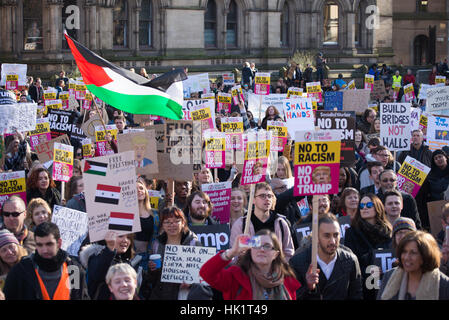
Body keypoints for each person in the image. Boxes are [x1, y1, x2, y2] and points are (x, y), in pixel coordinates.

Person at [200, 229, 300, 300]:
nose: (261, 249)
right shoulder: (236, 276)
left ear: (276, 254)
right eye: (256, 245)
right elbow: (206, 273)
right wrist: (231, 252)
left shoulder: (287, 280)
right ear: (250, 250)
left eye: (267, 246)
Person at [3, 222, 89, 300]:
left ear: (59, 243)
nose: (44, 250)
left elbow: (80, 297)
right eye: (40, 245)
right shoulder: (21, 271)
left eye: (49, 244)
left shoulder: (73, 270)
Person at [289, 214, 363, 300]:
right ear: (316, 237)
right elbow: (290, 296)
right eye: (327, 236)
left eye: (336, 235)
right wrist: (308, 288)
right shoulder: (297, 263)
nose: (332, 241)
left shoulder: (350, 260)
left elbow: (357, 295)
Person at [143, 207, 202, 300]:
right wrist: (152, 270)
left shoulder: (194, 243)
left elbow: (202, 274)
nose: (172, 225)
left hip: (185, 295)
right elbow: (151, 279)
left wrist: (191, 283)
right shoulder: (157, 244)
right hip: (160, 295)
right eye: (167, 222)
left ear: (183, 223)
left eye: (176, 221)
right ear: (162, 225)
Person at [344, 193, 392, 299]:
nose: (364, 208)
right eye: (361, 206)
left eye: (369, 205)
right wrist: (367, 270)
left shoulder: (389, 232)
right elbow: (349, 263)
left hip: (386, 284)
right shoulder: (351, 233)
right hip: (364, 287)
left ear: (377, 207)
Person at [230, 182, 295, 261]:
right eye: (262, 196)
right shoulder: (241, 224)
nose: (267, 199)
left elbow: (288, 253)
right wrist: (241, 258)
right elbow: (234, 253)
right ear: (253, 200)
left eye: (269, 196)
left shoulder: (281, 223)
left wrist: (279, 270)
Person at [377, 231, 449, 300]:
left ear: (426, 255)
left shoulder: (443, 285)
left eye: (413, 253)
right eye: (404, 252)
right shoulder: (389, 277)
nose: (406, 257)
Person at [79, 231, 135, 300]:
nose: (125, 240)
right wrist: (110, 249)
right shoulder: (97, 256)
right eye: (120, 236)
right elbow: (97, 274)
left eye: (129, 237)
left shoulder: (127, 262)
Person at [134, 179, 157, 254]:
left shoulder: (155, 214)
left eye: (141, 188)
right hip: (130, 256)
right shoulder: (125, 214)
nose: (139, 191)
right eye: (135, 189)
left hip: (148, 257)